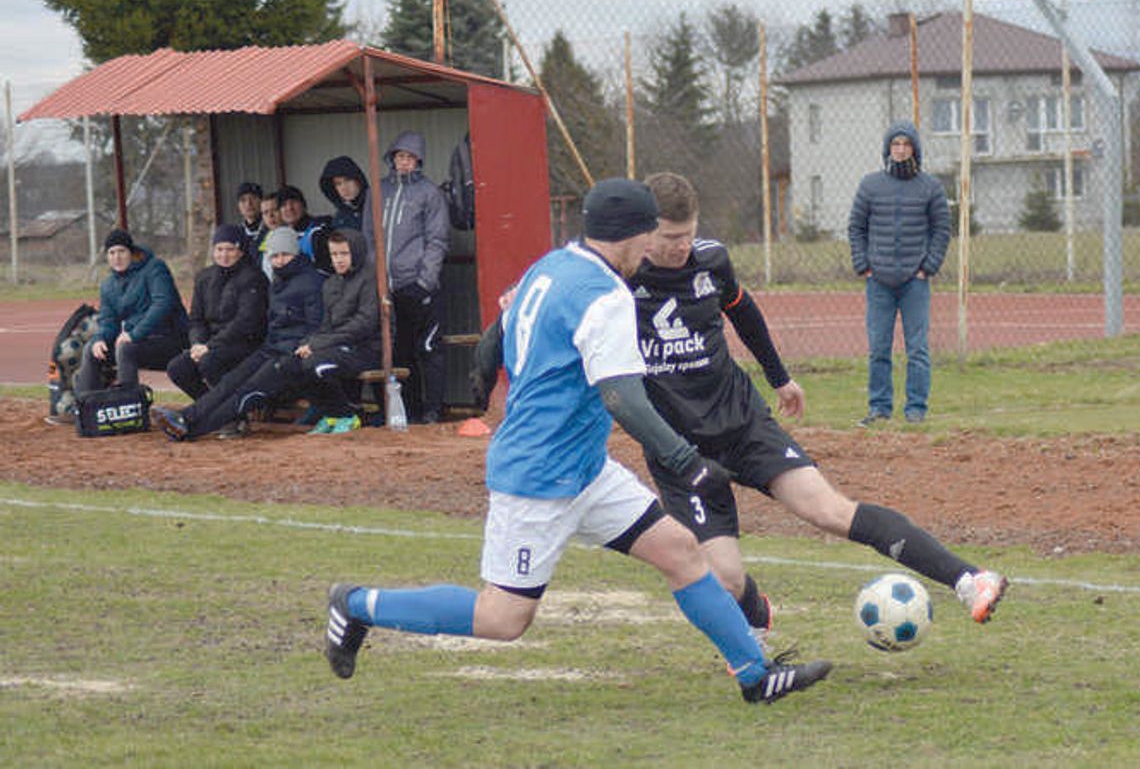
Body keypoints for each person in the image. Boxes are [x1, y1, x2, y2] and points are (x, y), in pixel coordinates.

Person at [324, 178, 833, 705]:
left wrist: (483, 379)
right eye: (647, 238)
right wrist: (685, 461)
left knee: (681, 550)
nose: (651, 251)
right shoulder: (606, 297)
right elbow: (623, 400)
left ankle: (756, 673)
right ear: (630, 235)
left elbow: (493, 337)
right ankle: (358, 604)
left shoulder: (553, 265)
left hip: (585, 467)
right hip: (539, 478)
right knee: (503, 618)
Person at [473, 172, 1008, 631]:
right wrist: (484, 376)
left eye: (687, 234)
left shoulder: (710, 261)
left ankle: (968, 579)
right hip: (680, 447)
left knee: (830, 510)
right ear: (640, 233)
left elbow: (742, 310)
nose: (677, 247)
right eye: (665, 237)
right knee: (724, 582)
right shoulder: (602, 283)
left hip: (742, 422)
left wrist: (780, 378)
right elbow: (519, 320)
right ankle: (756, 614)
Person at [152, 227, 323, 441]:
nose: (280, 261)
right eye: (275, 256)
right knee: (229, 383)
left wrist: (304, 346)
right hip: (270, 348)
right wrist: (199, 343)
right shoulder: (280, 280)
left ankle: (192, 429)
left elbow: (315, 325)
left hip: (289, 353)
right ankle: (185, 417)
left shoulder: (309, 281)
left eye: (285, 255)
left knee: (246, 391)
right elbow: (196, 320)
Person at [848, 121, 951, 426]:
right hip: (878, 280)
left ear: (915, 149)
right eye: (896, 144)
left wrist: (927, 267)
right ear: (888, 149)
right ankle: (879, 408)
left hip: (914, 282)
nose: (901, 149)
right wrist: (863, 264)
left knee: (917, 349)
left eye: (906, 144)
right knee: (879, 348)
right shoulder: (870, 186)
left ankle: (916, 410)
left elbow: (941, 229)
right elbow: (856, 227)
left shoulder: (930, 187)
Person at [380, 130, 449, 423]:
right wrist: (377, 278)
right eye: (399, 156)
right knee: (400, 352)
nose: (403, 162)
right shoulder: (379, 189)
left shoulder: (430, 193)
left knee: (428, 349)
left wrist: (425, 281)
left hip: (417, 285)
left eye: (409, 157)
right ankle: (409, 411)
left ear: (418, 161)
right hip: (387, 287)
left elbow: (438, 239)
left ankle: (433, 410)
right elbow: (371, 236)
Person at [74, 229, 189, 395]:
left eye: (121, 251)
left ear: (131, 252)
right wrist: (100, 339)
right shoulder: (108, 285)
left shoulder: (155, 268)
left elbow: (163, 304)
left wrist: (134, 334)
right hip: (138, 343)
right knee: (91, 349)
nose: (117, 257)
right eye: (112, 253)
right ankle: (85, 408)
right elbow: (108, 322)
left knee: (126, 348)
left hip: (170, 340)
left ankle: (128, 405)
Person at [165, 223, 268, 400]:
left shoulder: (253, 277)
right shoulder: (204, 277)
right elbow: (196, 319)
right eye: (219, 249)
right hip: (209, 344)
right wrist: (197, 343)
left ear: (241, 251)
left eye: (230, 249)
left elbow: (246, 321)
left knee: (209, 362)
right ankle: (209, 406)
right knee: (177, 368)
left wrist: (209, 346)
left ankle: (231, 413)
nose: (224, 255)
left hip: (243, 343)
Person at [298, 228, 381, 434]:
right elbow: (326, 325)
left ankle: (346, 416)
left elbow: (365, 323)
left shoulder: (372, 279)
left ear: (357, 252)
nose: (339, 260)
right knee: (293, 363)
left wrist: (320, 344)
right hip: (339, 347)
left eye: (344, 254)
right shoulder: (331, 283)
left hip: (368, 348)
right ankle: (333, 415)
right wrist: (308, 343)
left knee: (315, 366)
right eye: (334, 254)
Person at [318, 155, 376, 267]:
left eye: (348, 180)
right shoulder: (339, 219)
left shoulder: (377, 207)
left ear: (358, 180)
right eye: (338, 184)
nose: (344, 187)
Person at [278, 184, 331, 267]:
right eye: (284, 205)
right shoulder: (282, 236)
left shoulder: (319, 230)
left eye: (293, 202)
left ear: (303, 205)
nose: (289, 208)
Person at [236, 182, 266, 259]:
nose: (248, 203)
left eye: (253, 198)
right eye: (243, 200)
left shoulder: (271, 229)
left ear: (262, 201)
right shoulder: (236, 233)